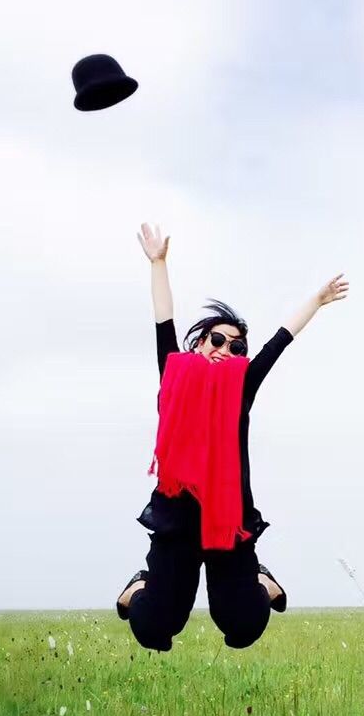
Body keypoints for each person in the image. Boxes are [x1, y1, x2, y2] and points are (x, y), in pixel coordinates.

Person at [116, 222, 349, 650]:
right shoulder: (174, 371)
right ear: (199, 342)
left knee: (242, 628)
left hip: (228, 521)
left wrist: (316, 301)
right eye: (217, 340)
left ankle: (262, 579)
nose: (226, 350)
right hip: (178, 521)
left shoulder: (242, 386)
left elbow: (281, 340)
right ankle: (138, 587)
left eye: (236, 346)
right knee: (154, 630)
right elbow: (162, 318)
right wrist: (159, 263)